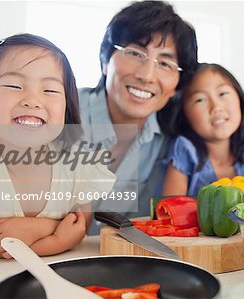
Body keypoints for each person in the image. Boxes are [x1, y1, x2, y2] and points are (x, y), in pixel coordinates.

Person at [0, 33, 115, 257]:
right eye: (15, 86)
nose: (32, 100)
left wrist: (41, 229)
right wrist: (55, 236)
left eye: (50, 90)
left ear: (67, 106)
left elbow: (77, 229)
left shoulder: (77, 163)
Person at [78, 1, 198, 219]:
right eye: (135, 53)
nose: (147, 75)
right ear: (105, 60)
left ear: (176, 87)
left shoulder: (171, 144)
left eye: (165, 64)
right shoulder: (61, 112)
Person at [161, 63, 244, 197]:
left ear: (240, 98)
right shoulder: (184, 150)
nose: (216, 107)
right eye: (200, 100)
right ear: (184, 114)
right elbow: (170, 209)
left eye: (223, 93)